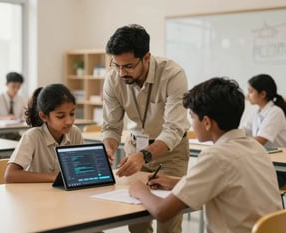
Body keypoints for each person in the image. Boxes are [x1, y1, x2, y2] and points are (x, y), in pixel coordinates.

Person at [129, 77, 282, 233]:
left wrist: (140, 190)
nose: (191, 124)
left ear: (207, 122)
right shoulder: (256, 148)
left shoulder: (216, 156)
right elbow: (223, 182)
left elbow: (162, 212)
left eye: (192, 117)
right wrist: (173, 182)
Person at [102, 24, 190, 233]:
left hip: (171, 152)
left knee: (168, 221)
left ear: (147, 57)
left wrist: (143, 156)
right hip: (134, 149)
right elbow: (111, 126)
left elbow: (173, 130)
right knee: (137, 223)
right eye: (117, 65)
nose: (122, 73)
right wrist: (108, 148)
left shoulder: (173, 74)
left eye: (129, 66)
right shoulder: (113, 79)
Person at [4, 83, 84, 183]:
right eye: (60, 116)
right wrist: (57, 177)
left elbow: (81, 170)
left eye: (72, 114)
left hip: (62, 195)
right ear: (43, 116)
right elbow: (10, 175)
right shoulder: (33, 136)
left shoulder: (75, 133)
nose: (69, 121)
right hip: (35, 195)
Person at [243, 74, 286, 188]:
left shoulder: (275, 112)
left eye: (251, 91)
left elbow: (260, 140)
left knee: (245, 180)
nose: (247, 95)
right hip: (265, 163)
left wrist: (236, 141)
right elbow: (244, 131)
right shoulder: (258, 113)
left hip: (279, 168)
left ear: (263, 94)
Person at [0, 72, 27, 140]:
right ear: (7, 84)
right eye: (13, 86)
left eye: (18, 87)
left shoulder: (21, 99)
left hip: (15, 135)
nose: (16, 90)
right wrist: (6, 118)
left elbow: (25, 117)